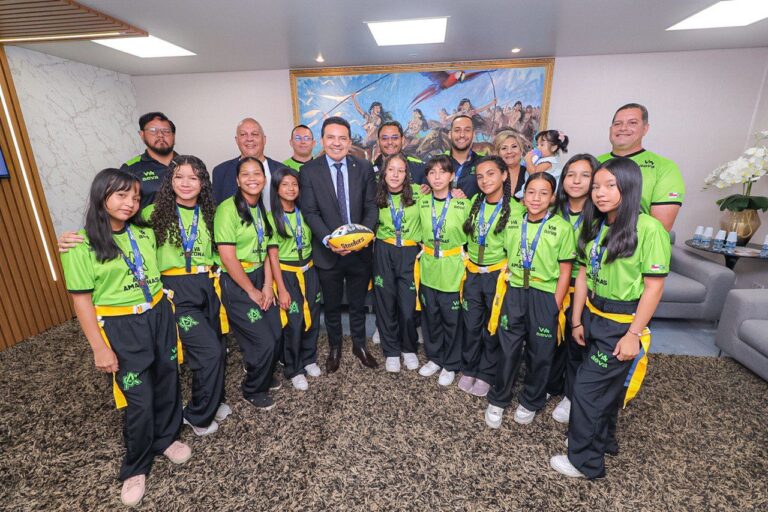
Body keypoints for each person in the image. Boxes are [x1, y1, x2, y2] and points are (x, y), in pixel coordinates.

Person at [61, 168, 190, 507]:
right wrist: (99, 348)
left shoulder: (144, 233)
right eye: (121, 195)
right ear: (101, 196)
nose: (130, 203)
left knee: (167, 381)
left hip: (159, 314)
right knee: (139, 396)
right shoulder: (81, 244)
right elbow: (81, 300)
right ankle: (136, 465)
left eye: (134, 197)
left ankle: (166, 438)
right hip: (121, 326)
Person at [550, 157, 670, 479]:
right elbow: (584, 275)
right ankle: (604, 441)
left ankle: (585, 462)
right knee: (607, 389)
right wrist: (576, 320)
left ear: (628, 187)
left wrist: (633, 333)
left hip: (621, 324)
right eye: (596, 187)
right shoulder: (597, 224)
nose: (600, 193)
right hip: (592, 315)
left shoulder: (648, 229)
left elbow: (653, 288)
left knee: (588, 391)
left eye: (610, 186)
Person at [144, 155, 229, 437]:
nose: (186, 183)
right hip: (175, 289)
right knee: (209, 352)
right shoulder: (153, 213)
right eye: (179, 176)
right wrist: (78, 237)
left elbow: (221, 246)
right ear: (170, 181)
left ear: (202, 182)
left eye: (193, 177)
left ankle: (213, 400)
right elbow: (112, 225)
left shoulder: (209, 212)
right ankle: (196, 415)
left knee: (214, 346)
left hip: (208, 284)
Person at [485, 172, 575, 429]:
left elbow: (566, 270)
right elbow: (500, 252)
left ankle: (531, 400)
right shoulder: (512, 222)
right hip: (514, 291)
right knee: (507, 347)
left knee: (540, 352)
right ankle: (498, 398)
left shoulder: (562, 227)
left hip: (544, 295)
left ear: (553, 197)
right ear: (523, 197)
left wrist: (554, 305)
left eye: (543, 193)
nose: (536, 198)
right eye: (531, 192)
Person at [299, 116, 379, 372]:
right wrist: (329, 241)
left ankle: (359, 345)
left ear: (349, 140)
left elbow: (371, 207)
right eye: (331, 138)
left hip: (359, 252)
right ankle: (334, 347)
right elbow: (310, 212)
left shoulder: (364, 168)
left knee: (357, 303)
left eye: (342, 138)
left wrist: (361, 238)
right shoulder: (309, 171)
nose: (336, 143)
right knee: (331, 305)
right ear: (322, 140)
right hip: (327, 253)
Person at [214, 157, 281, 410]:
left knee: (274, 332)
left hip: (258, 276)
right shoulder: (227, 209)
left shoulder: (260, 208)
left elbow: (265, 250)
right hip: (236, 280)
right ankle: (252, 388)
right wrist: (251, 290)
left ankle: (262, 372)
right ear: (237, 180)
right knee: (262, 340)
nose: (252, 178)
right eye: (246, 174)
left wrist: (266, 285)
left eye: (258, 174)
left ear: (265, 179)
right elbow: (228, 257)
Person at [459, 156, 524, 397]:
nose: (485, 180)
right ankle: (469, 368)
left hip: (498, 276)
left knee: (492, 326)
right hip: (473, 272)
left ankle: (486, 372)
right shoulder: (475, 202)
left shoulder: (517, 210)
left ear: (504, 175)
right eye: (480, 176)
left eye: (491, 174)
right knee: (471, 323)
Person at [546, 154, 599, 424]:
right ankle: (551, 384)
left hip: (585, 288)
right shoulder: (553, 210)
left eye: (585, 175)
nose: (576, 181)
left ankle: (570, 395)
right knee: (551, 339)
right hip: (553, 283)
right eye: (570, 174)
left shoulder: (600, 216)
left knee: (577, 343)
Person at [267, 167, 322, 391]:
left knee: (314, 316)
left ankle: (309, 358)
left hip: (309, 271)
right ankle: (294, 368)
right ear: (277, 189)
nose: (290, 189)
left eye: (294, 184)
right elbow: (272, 256)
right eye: (285, 185)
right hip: (287, 274)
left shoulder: (305, 213)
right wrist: (281, 288)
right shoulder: (271, 218)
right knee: (294, 321)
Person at [416, 155, 469, 386]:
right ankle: (434, 358)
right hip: (428, 266)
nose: (437, 177)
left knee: (452, 320)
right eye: (432, 172)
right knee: (431, 317)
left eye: (442, 172)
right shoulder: (422, 201)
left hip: (452, 268)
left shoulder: (463, 204)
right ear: (427, 177)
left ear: (452, 176)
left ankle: (451, 363)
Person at [597, 103, 685, 231]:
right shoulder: (593, 162)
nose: (623, 128)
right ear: (610, 129)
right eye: (617, 124)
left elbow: (658, 228)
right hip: (591, 243)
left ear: (645, 128)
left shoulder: (665, 168)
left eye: (632, 123)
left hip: (634, 245)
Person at [372, 153, 422, 373]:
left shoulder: (421, 193)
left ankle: (408, 348)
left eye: (400, 170)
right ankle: (391, 350)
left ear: (406, 174)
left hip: (410, 252)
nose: (395, 174)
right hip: (384, 250)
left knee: (408, 305)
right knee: (386, 303)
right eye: (391, 169)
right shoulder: (375, 195)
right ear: (384, 173)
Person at [212, 118, 285, 208]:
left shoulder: (283, 170)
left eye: (254, 134)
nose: (249, 139)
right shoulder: (221, 172)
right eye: (243, 134)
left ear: (264, 139)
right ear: (237, 140)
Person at [121, 112, 178, 209]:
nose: (160, 135)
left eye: (166, 131)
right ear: (142, 135)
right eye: (153, 130)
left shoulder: (189, 164)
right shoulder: (130, 168)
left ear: (173, 135)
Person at [445, 115, 484, 198]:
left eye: (467, 130)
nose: (462, 135)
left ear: (473, 135)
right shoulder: (437, 162)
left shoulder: (483, 163)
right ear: (449, 134)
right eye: (457, 130)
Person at [493, 130, 528, 198]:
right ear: (498, 153)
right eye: (504, 148)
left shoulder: (529, 173)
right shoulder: (493, 174)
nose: (509, 151)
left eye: (514, 146)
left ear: (521, 150)